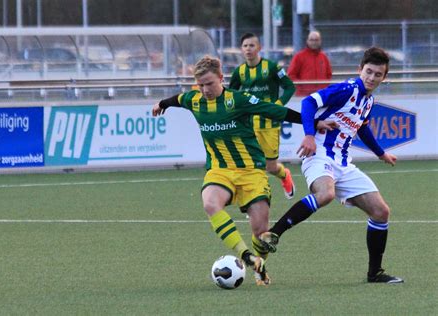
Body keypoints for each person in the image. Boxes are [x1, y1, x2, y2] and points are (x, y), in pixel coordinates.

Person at [153, 56, 334, 286]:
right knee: (210, 203)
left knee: (261, 234)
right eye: (200, 85)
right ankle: (246, 256)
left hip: (251, 171)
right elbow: (177, 99)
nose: (205, 89)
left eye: (209, 83)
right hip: (220, 170)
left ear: (221, 78)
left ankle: (259, 263)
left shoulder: (239, 100)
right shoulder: (194, 100)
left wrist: (313, 123)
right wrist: (162, 104)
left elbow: (275, 111)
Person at [259, 47, 404, 284]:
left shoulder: (368, 100)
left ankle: (375, 273)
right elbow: (308, 102)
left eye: (378, 74)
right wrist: (308, 134)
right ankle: (274, 233)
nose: (371, 77)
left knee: (381, 212)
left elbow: (363, 127)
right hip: (318, 155)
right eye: (368, 72)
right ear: (360, 69)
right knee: (326, 194)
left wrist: (381, 153)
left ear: (384, 78)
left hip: (343, 163)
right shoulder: (346, 89)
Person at [229, 33, 297, 200]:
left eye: (252, 45)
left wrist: (278, 105)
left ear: (258, 48)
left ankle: (284, 175)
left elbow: (289, 87)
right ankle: (255, 199)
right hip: (247, 125)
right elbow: (231, 95)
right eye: (245, 46)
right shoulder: (239, 72)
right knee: (249, 165)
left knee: (271, 167)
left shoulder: (272, 67)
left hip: (269, 124)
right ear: (241, 49)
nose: (248, 49)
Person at [288, 30, 332, 96]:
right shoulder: (299, 56)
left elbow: (329, 74)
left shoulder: (323, 57)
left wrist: (324, 88)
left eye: (316, 40)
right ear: (307, 41)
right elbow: (291, 75)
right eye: (311, 40)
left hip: (321, 95)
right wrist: (301, 88)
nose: (314, 42)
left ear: (320, 41)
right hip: (304, 95)